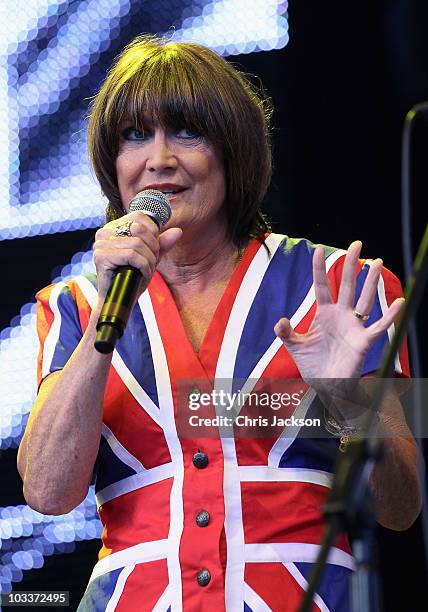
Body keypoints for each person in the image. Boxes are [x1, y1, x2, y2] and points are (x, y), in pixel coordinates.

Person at [17, 35, 420, 611]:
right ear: (113, 165)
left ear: (233, 151)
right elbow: (47, 493)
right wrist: (104, 325)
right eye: (135, 136)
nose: (158, 159)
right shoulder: (73, 306)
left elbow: (403, 507)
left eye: (187, 132)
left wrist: (345, 395)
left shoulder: (347, 284)